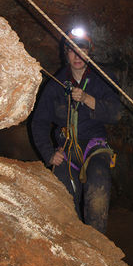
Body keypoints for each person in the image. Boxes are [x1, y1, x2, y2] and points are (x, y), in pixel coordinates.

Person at [31, 26, 121, 233]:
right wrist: (48, 153)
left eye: (82, 49)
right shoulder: (56, 84)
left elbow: (116, 113)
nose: (77, 55)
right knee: (63, 196)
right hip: (67, 148)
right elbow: (39, 122)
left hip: (94, 146)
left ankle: (97, 245)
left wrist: (89, 100)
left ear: (90, 52)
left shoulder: (102, 78)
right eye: (72, 50)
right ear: (66, 54)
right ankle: (74, 243)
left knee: (98, 184)